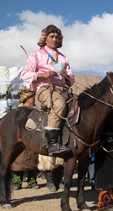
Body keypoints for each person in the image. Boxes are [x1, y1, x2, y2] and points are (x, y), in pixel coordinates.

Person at [21, 24, 75, 156]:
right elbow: (25, 74)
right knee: (59, 105)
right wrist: (41, 75)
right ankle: (52, 144)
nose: (55, 39)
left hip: (63, 89)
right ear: (45, 38)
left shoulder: (63, 58)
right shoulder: (36, 55)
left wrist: (66, 77)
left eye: (57, 37)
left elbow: (71, 79)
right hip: (45, 88)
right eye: (52, 36)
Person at [11, 88, 40, 189]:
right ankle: (17, 181)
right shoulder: (18, 111)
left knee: (32, 158)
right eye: (33, 97)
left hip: (32, 138)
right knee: (18, 159)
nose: (34, 99)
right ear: (28, 98)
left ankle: (32, 181)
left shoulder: (35, 110)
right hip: (20, 138)